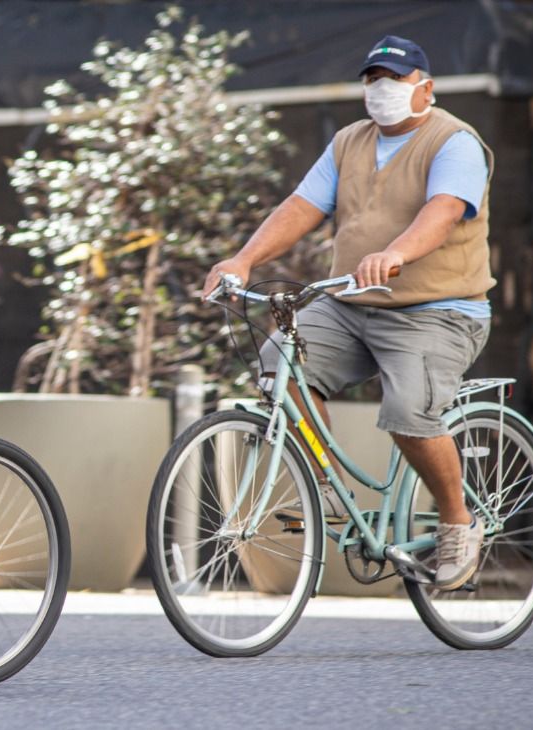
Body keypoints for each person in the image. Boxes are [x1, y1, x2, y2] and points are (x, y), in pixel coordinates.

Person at [201, 35, 493, 590]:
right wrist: (241, 260)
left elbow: (445, 210)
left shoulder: (454, 141)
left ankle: (458, 520)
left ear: (424, 88)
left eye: (394, 80)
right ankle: (327, 493)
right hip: (351, 304)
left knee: (409, 410)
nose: (380, 90)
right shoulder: (348, 143)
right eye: (372, 79)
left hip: (437, 310)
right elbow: (301, 207)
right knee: (279, 367)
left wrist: (396, 253)